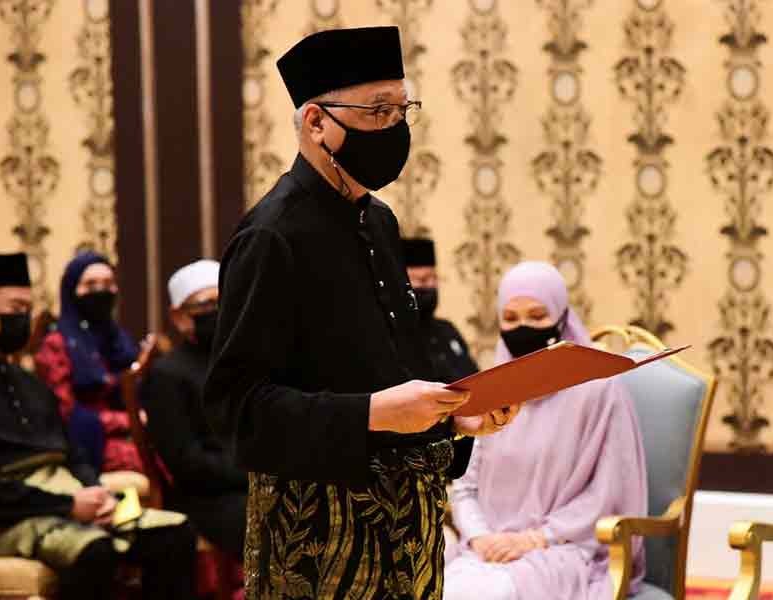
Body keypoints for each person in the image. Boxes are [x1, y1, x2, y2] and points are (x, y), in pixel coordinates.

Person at [203, 26, 514, 600]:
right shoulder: (271, 236)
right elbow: (238, 410)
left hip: (410, 533)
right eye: (377, 110)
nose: (394, 127)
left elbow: (393, 373)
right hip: (317, 541)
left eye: (401, 110)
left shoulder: (380, 222)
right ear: (316, 123)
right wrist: (371, 414)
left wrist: (454, 419)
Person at [0, 252, 197, 600]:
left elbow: (70, 451)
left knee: (174, 534)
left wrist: (96, 493)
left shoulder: (27, 383)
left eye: (28, 308)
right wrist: (67, 506)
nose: (25, 318)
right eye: (16, 308)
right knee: (94, 551)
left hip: (60, 497)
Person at [444, 261, 648, 600]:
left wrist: (533, 539)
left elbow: (609, 492)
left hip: (566, 549)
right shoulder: (494, 391)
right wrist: (481, 537)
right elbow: (466, 488)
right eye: (510, 318)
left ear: (562, 318)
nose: (523, 328)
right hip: (486, 550)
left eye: (538, 317)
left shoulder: (599, 388)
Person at [142, 259, 247, 560]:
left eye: (223, 302)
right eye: (206, 304)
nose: (218, 311)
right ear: (179, 317)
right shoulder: (166, 375)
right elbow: (187, 462)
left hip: (255, 483)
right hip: (208, 499)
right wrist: (251, 471)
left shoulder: (243, 362)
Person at [36, 251, 142, 474]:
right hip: (85, 440)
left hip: (132, 430)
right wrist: (126, 421)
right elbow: (65, 412)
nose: (101, 291)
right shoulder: (57, 343)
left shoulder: (117, 338)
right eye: (91, 285)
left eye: (108, 283)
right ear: (72, 291)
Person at [402, 237, 478, 383]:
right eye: (422, 280)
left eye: (433, 278)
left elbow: (472, 376)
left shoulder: (447, 329)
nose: (430, 285)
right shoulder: (394, 337)